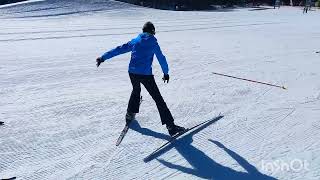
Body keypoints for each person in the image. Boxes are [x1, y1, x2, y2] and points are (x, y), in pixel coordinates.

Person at [96, 22, 185, 136]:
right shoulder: (153, 43)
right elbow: (161, 58)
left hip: (132, 72)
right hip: (145, 74)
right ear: (152, 31)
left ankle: (129, 114)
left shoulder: (136, 41)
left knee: (136, 90)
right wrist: (166, 72)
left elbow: (119, 49)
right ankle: (171, 127)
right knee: (158, 99)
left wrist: (103, 57)